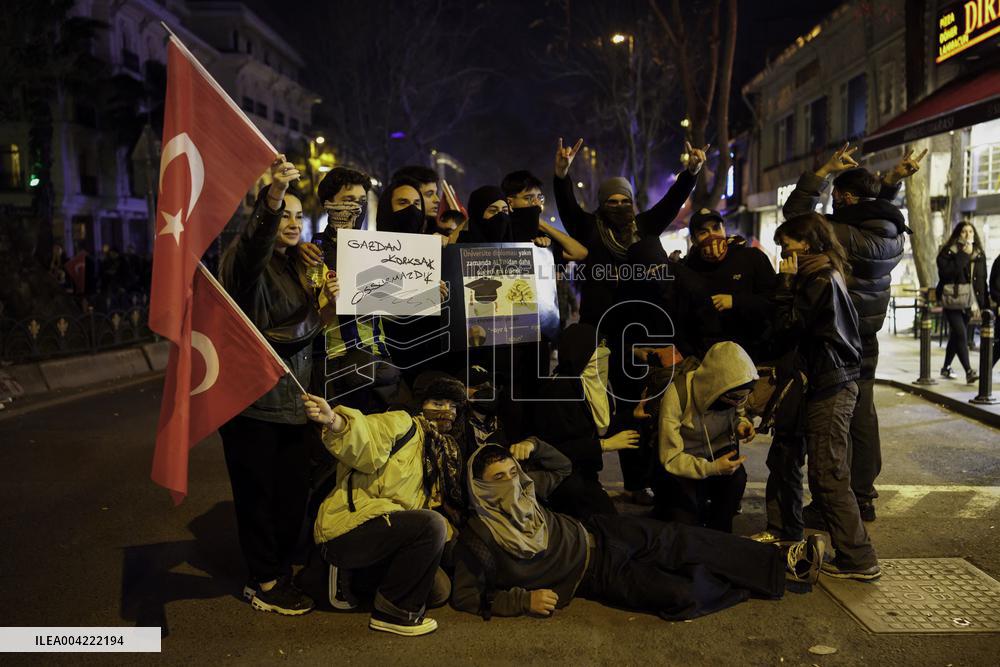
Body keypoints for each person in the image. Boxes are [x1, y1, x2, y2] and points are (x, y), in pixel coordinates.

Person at [451, 444, 825, 621]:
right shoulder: (480, 536)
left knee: (685, 540)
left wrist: (532, 445)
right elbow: (467, 596)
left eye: (513, 472)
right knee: (680, 595)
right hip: (593, 575)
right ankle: (743, 574)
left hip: (602, 530)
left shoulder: (528, 488)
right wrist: (522, 602)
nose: (512, 484)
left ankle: (784, 561)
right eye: (499, 480)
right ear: (480, 490)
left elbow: (563, 466)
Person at [552, 138, 705, 504]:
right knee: (594, 407)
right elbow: (568, 205)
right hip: (600, 334)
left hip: (637, 335)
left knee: (636, 407)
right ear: (602, 206)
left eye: (625, 201)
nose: (619, 207)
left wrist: (692, 173)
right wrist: (561, 174)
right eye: (611, 202)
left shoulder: (646, 226)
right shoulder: (589, 228)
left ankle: (638, 482)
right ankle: (588, 479)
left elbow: (671, 202)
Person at [782, 144, 921, 522]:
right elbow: (873, 209)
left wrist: (822, 170)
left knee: (831, 417)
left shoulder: (841, 233)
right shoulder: (892, 234)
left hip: (835, 332)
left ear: (843, 198)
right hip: (868, 333)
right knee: (862, 412)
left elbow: (796, 217)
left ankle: (832, 502)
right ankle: (862, 496)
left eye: (838, 196)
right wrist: (891, 181)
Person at [217, 156, 323, 615]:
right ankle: (262, 580)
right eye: (286, 214)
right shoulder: (247, 265)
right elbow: (252, 246)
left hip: (296, 403)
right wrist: (273, 198)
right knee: (257, 500)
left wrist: (325, 302)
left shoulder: (298, 266)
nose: (292, 223)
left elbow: (307, 335)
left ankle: (277, 569)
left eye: (299, 215)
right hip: (253, 404)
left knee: (290, 499)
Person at [301, 375, 468, 637]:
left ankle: (356, 577)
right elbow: (367, 437)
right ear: (421, 404)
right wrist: (335, 421)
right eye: (437, 402)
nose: (446, 411)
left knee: (438, 591)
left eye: (453, 406)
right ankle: (393, 613)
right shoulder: (402, 423)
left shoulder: (438, 452)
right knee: (431, 525)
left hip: (389, 532)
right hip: (351, 527)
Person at [771, 213, 879, 581]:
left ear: (809, 242)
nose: (785, 250)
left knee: (828, 472)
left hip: (832, 384)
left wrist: (784, 283)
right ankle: (853, 553)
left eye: (789, 243)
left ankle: (858, 558)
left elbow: (787, 326)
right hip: (830, 381)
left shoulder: (818, 280)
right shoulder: (823, 274)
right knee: (825, 470)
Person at [529, 323, 638, 519]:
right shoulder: (557, 392)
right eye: (597, 353)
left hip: (584, 475)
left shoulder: (589, 387)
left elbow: (596, 427)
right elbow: (554, 449)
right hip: (562, 479)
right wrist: (603, 445)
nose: (604, 357)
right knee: (605, 524)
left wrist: (632, 416)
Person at [312, 167, 397, 412]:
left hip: (379, 361)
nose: (356, 209)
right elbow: (309, 320)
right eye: (348, 201)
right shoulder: (314, 254)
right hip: (336, 366)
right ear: (328, 204)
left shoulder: (378, 251)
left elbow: (393, 307)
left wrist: (427, 294)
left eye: (361, 201)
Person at [652, 341, 757, 533]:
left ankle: (719, 533)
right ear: (716, 387)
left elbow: (738, 412)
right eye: (734, 398)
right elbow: (670, 457)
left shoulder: (734, 392)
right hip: (682, 467)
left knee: (736, 480)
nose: (738, 402)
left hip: (716, 459)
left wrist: (742, 424)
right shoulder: (677, 395)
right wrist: (712, 468)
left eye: (744, 397)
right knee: (685, 529)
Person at [673, 209, 778, 360]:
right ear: (694, 240)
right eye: (703, 232)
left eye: (716, 228)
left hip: (753, 355)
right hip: (709, 360)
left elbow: (773, 302)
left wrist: (736, 301)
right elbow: (683, 321)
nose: (712, 236)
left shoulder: (752, 258)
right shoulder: (688, 271)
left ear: (724, 229)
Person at [936, 221, 989, 383]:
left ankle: (946, 367)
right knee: (961, 333)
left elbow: (982, 280)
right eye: (964, 232)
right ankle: (969, 371)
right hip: (952, 299)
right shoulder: (948, 252)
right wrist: (964, 255)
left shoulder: (979, 254)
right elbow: (946, 274)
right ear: (958, 234)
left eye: (970, 232)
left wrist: (982, 304)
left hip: (970, 302)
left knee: (956, 336)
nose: (967, 235)